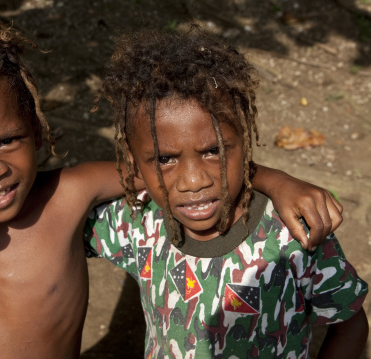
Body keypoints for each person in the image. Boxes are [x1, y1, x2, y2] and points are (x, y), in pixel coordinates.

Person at [0, 21, 345, 358]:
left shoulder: (72, 193)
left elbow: (170, 170)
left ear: (35, 126)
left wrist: (276, 181)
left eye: (6, 141)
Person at [85, 26, 368, 358]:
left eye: (212, 151)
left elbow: (350, 323)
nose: (193, 181)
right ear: (135, 165)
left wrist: (275, 181)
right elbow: (56, 219)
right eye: (164, 159)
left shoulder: (292, 234)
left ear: (244, 143)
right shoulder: (136, 225)